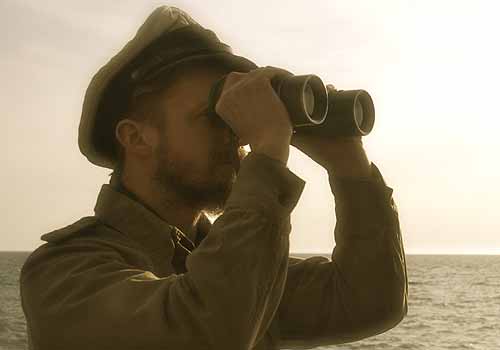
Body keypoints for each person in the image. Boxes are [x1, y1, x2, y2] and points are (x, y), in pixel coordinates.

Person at [19, 6, 408, 350]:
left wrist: (349, 167)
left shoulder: (236, 262)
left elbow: (371, 301)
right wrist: (269, 156)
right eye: (213, 116)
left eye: (234, 114)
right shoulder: (63, 275)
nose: (235, 134)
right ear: (136, 138)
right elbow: (205, 330)